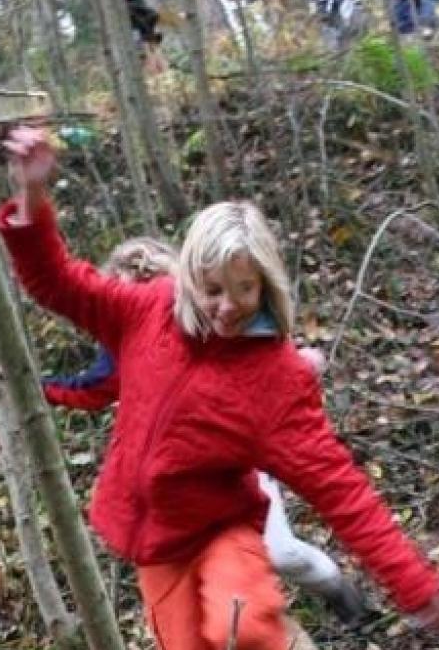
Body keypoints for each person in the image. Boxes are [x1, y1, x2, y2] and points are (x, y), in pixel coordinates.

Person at [0, 126, 439, 650]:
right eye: (213, 289)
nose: (226, 307)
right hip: (155, 550)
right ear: (186, 278)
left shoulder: (276, 378)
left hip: (221, 532)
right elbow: (56, 281)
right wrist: (34, 191)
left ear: (264, 287)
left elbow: (341, 489)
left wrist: (413, 584)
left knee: (242, 628)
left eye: (244, 292)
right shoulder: (144, 312)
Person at [43, 237, 366, 624]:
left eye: (145, 281)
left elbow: (254, 354)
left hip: (243, 465)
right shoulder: (129, 337)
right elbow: (93, 387)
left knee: (280, 552)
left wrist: (300, 363)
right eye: (127, 286)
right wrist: (37, 387)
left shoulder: (198, 310)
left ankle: (337, 589)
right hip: (187, 490)